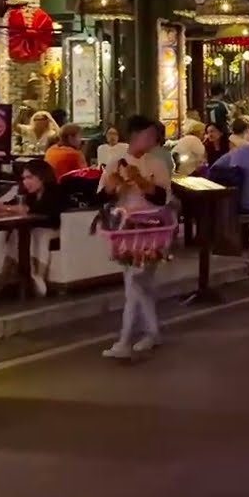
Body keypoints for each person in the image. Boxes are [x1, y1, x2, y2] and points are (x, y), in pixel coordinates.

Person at [100, 115, 173, 359]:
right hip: (126, 228)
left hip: (152, 228)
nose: (154, 140)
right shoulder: (115, 161)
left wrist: (141, 181)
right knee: (140, 284)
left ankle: (125, 340)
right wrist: (115, 185)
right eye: (149, 135)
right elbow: (103, 196)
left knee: (136, 283)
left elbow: (162, 198)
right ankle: (152, 332)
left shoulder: (157, 163)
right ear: (135, 136)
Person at [0, 159, 65, 297]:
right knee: (16, 234)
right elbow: (16, 205)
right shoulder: (30, 194)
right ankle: (7, 276)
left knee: (38, 235)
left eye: (29, 177)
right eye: (24, 178)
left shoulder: (55, 191)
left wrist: (4, 207)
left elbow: (37, 211)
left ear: (42, 176)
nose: (25, 182)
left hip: (54, 228)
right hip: (35, 227)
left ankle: (38, 275)